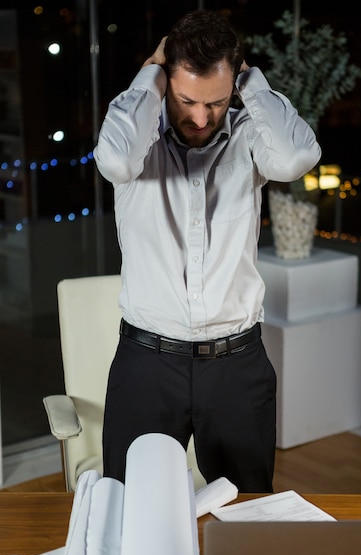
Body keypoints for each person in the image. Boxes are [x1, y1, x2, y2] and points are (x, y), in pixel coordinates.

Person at [94, 9, 321, 492]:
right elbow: (113, 160)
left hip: (237, 366)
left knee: (246, 515)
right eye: (185, 99)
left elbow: (298, 156)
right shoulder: (136, 141)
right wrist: (152, 74)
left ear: (234, 86)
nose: (200, 117)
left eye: (216, 103)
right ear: (164, 83)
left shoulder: (249, 138)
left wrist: (250, 82)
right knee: (133, 509)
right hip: (147, 365)